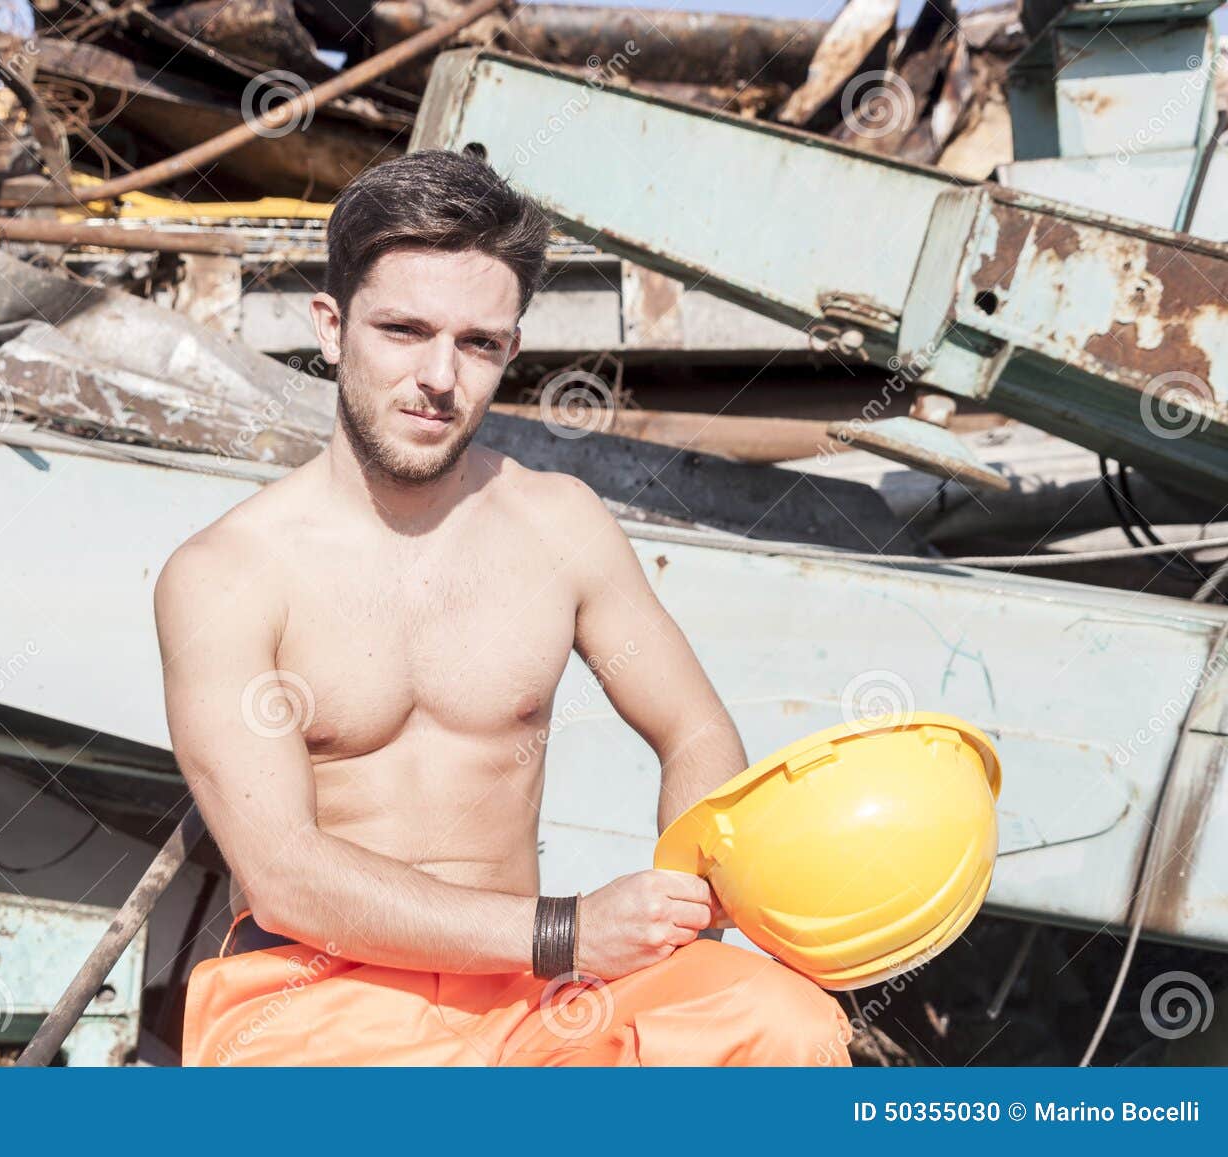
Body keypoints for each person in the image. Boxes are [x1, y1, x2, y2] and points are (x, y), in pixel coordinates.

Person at [152, 149, 852, 1066]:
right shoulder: (225, 573)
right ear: (331, 327)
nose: (440, 376)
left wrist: (684, 906)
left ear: (511, 351)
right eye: (403, 330)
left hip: (536, 998)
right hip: (319, 1003)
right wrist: (567, 929)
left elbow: (694, 731)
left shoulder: (559, 525)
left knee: (783, 1024)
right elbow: (284, 875)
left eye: (479, 343)